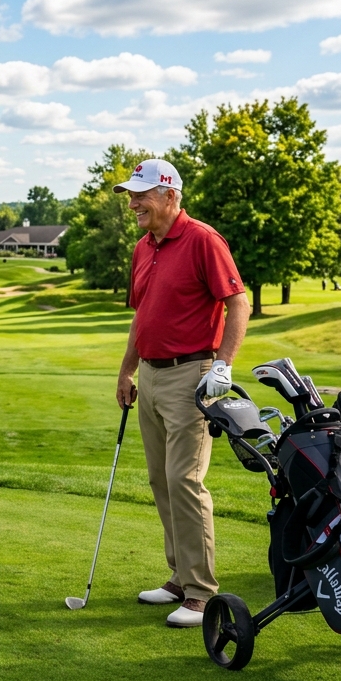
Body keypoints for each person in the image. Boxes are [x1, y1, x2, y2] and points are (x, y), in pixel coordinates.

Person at [114, 159, 250, 628]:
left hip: (192, 374)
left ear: (170, 195)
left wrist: (224, 366)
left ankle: (200, 594)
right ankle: (179, 575)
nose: (133, 204)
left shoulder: (203, 240)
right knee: (160, 479)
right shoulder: (143, 248)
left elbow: (238, 302)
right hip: (150, 375)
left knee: (185, 481)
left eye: (141, 195)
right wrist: (127, 371)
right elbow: (144, 315)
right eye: (130, 196)